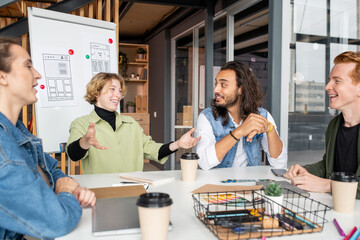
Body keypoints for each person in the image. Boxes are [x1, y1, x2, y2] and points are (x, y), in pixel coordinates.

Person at [0, 37, 96, 239]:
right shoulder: (3, 152)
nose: (38, 75)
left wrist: (68, 190)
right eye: (28, 66)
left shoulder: (15, 130)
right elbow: (56, 222)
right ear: (2, 76)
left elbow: (51, 169)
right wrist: (67, 193)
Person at [66, 72, 200, 174]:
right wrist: (85, 141)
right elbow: (73, 155)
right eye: (112, 89)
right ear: (96, 92)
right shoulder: (81, 124)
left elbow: (152, 150)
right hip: (101, 191)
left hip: (133, 188)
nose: (118, 95)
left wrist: (177, 144)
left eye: (119, 91)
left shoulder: (131, 124)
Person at [284, 51, 360, 199]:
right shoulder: (335, 125)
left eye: (337, 81)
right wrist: (306, 171)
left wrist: (327, 185)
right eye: (329, 80)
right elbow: (328, 165)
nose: (327, 87)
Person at [195, 61, 287, 170]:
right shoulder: (207, 117)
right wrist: (239, 131)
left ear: (240, 89)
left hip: (251, 184)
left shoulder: (262, 115)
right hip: (217, 185)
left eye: (223, 85)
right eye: (216, 84)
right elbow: (203, 162)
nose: (216, 89)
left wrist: (270, 130)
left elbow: (279, 163)